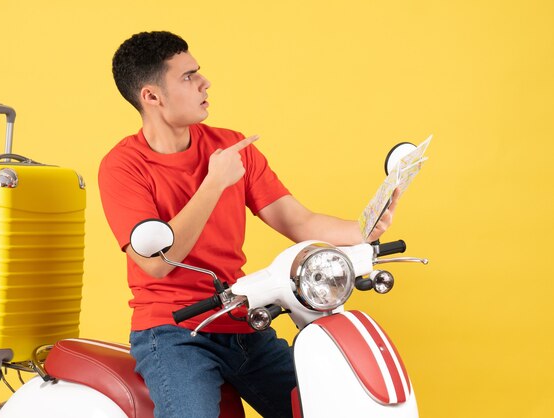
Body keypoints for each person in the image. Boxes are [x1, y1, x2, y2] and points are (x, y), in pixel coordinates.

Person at [98, 31, 398, 418]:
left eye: (199, 73)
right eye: (188, 77)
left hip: (242, 318)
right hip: (173, 332)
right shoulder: (123, 167)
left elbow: (297, 220)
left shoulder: (230, 146)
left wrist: (364, 230)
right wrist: (214, 182)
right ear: (152, 97)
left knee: (324, 405)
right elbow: (156, 263)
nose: (205, 83)